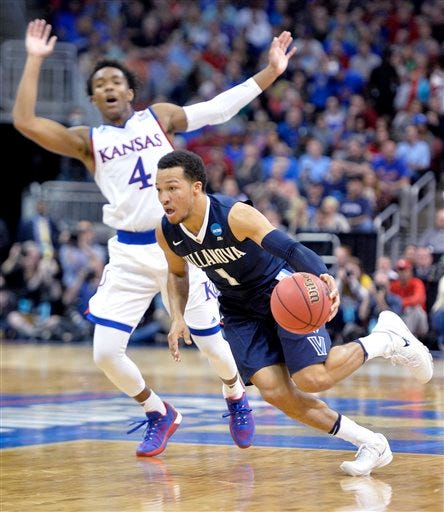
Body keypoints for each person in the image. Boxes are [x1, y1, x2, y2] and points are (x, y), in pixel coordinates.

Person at [12, 19, 296, 456]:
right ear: (93, 99)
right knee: (105, 353)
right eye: (100, 83)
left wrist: (271, 72)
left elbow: (218, 108)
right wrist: (33, 59)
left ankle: (236, 395)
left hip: (180, 245)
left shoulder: (158, 118)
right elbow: (25, 121)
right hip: (127, 250)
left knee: (210, 342)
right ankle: (158, 412)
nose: (108, 87)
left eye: (116, 81)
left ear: (130, 91)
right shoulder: (88, 141)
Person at [155, 149, 434, 477]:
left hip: (280, 291)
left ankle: (387, 339)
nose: (164, 197)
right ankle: (371, 443)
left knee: (312, 378)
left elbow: (289, 248)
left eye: (172, 188)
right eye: (158, 190)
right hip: (237, 308)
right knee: (275, 392)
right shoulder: (168, 231)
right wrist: (177, 316)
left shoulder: (234, 215)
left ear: (197, 187)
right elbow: (177, 274)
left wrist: (321, 274)